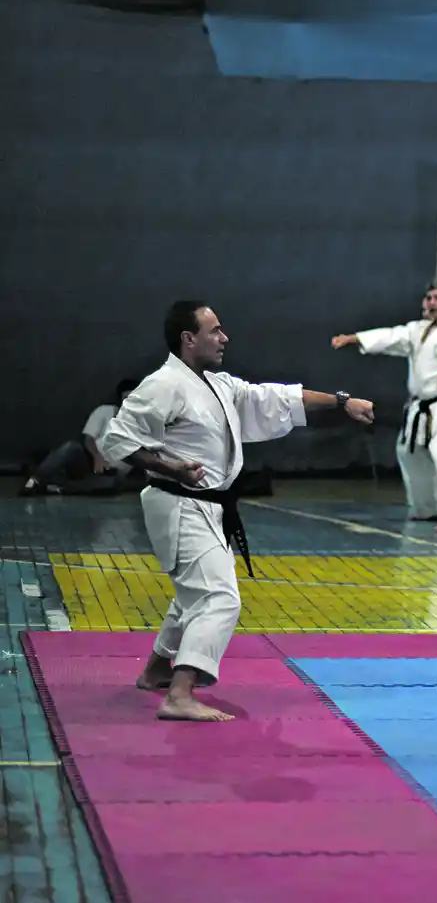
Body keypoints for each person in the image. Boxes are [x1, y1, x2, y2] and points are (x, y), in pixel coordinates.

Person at [100, 300, 373, 721]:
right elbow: (117, 440)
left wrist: (341, 401)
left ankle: (157, 669)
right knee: (219, 598)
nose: (224, 338)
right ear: (188, 339)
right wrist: (170, 465)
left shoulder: (217, 384)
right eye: (214, 331)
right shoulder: (163, 385)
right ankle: (180, 693)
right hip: (179, 504)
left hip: (208, 507)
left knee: (195, 593)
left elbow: (276, 398)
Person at [331, 279, 437, 532]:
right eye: (428, 298)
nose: (431, 303)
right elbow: (391, 336)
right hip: (423, 406)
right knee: (408, 452)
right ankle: (426, 508)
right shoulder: (419, 329)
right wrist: (354, 338)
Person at [21, 378, 140, 496]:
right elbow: (89, 439)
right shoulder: (105, 411)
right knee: (71, 447)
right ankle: (35, 481)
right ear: (120, 399)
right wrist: (97, 457)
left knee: (115, 484)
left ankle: (56, 487)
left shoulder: (145, 425)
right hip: (88, 463)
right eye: (125, 399)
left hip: (111, 474)